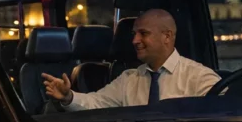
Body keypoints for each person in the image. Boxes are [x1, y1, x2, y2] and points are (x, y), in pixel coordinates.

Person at [43, 9, 220, 109]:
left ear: (167, 36)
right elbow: (95, 103)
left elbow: (226, 114)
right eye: (134, 34)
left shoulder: (199, 78)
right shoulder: (129, 79)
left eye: (143, 33)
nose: (135, 40)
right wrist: (68, 97)